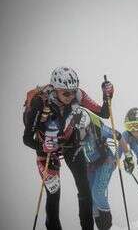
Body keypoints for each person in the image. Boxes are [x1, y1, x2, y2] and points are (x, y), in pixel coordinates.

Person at [23, 67, 114, 230]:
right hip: (47, 150)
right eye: (66, 93)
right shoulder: (40, 102)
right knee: (53, 194)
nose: (71, 96)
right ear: (55, 89)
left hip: (71, 143)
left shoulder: (79, 95)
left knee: (84, 188)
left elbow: (104, 113)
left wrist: (108, 95)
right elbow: (27, 138)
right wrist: (43, 147)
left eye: (73, 91)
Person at [73, 108, 134, 230]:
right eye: (78, 129)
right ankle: (102, 226)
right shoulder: (71, 132)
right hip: (90, 165)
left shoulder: (98, 129)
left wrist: (128, 157)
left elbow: (119, 136)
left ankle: (107, 227)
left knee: (98, 193)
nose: (81, 132)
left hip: (106, 161)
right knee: (90, 197)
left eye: (83, 129)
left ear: (88, 125)